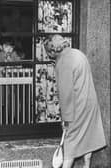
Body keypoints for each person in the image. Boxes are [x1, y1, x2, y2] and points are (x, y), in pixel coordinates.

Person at [44, 35, 106, 168]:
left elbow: (66, 94)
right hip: (90, 103)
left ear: (53, 51)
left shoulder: (63, 62)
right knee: (89, 136)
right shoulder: (78, 53)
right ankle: (86, 165)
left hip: (77, 107)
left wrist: (66, 120)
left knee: (70, 143)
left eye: (49, 54)